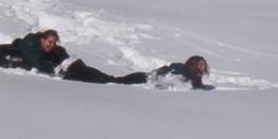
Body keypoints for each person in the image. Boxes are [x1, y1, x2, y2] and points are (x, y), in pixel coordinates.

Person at [61, 55, 215, 90]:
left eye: (204, 65)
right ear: (193, 64)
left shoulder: (191, 77)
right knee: (108, 81)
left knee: (108, 80)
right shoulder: (183, 69)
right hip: (141, 79)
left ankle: (75, 71)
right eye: (200, 64)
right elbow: (164, 77)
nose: (203, 68)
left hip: (142, 78)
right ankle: (76, 68)